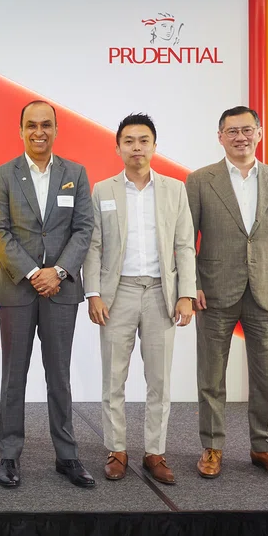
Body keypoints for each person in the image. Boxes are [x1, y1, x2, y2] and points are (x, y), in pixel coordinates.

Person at [186, 106, 268, 482]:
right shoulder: (200, 180)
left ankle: (264, 447)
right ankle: (212, 446)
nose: (240, 137)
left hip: (267, 291)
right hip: (214, 291)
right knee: (211, 376)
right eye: (232, 131)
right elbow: (185, 240)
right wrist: (191, 285)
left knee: (266, 377)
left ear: (259, 133)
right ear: (220, 136)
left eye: (247, 130)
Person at [0, 100, 95, 489]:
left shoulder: (75, 174)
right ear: (20, 130)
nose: (39, 132)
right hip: (17, 289)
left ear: (56, 129)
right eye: (31, 125)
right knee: (14, 376)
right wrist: (34, 272)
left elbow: (84, 229)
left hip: (61, 290)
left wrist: (59, 272)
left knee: (59, 376)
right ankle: (10, 455)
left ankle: (67, 456)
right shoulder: (3, 175)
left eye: (46, 125)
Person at [82, 113, 196, 485]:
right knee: (113, 378)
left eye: (143, 140)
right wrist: (94, 292)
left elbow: (184, 246)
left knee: (159, 380)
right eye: (129, 141)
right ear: (117, 147)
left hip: (162, 293)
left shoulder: (175, 190)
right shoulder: (103, 190)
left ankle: (154, 452)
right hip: (119, 293)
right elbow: (94, 246)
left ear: (154, 146)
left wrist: (186, 295)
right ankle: (116, 449)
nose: (136, 147)